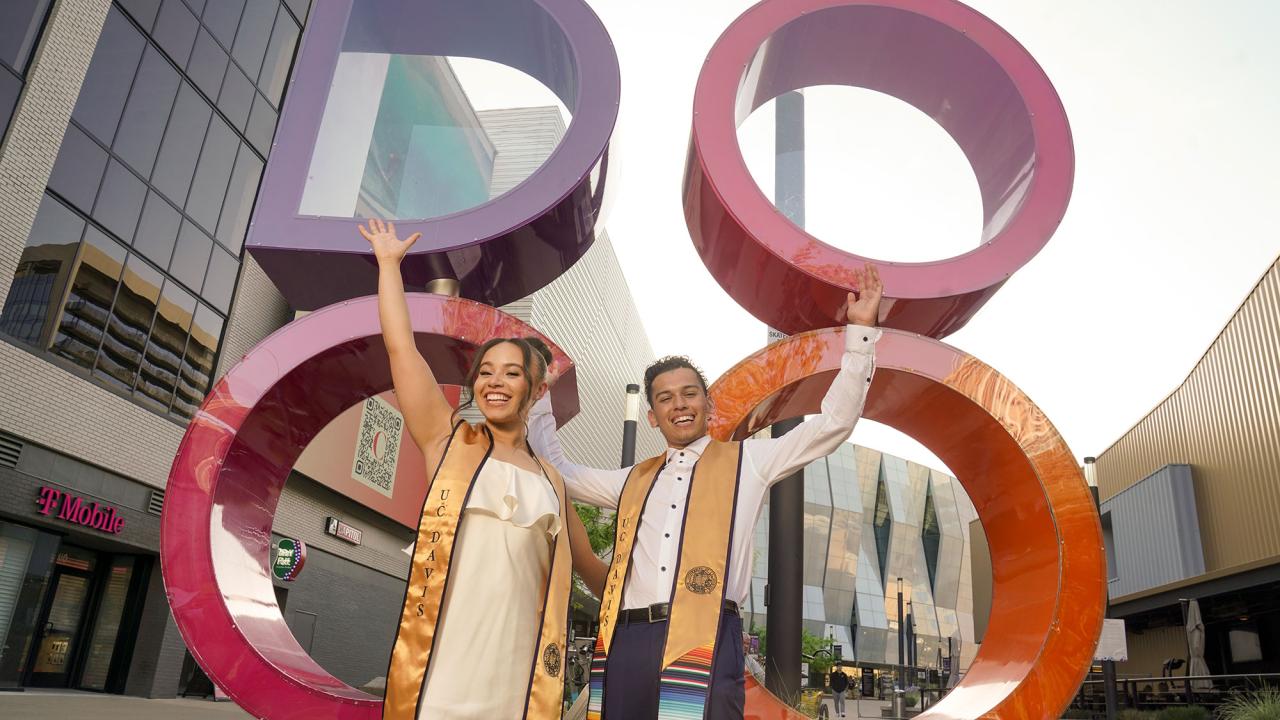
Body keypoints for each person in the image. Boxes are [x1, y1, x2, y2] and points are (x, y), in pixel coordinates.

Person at [529, 265, 883, 720]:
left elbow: (832, 424)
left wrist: (861, 334)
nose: (679, 404)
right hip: (629, 637)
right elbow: (558, 472)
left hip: (708, 636)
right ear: (653, 415)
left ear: (707, 404)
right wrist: (539, 399)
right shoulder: (633, 478)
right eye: (665, 397)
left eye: (690, 393)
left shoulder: (748, 462)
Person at [363, 219, 606, 720]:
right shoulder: (448, 444)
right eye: (485, 374)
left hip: (520, 676)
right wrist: (389, 266)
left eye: (512, 373)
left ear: (537, 391)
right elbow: (400, 349)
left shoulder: (552, 483)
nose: (494, 383)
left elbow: (595, 572)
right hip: (441, 664)